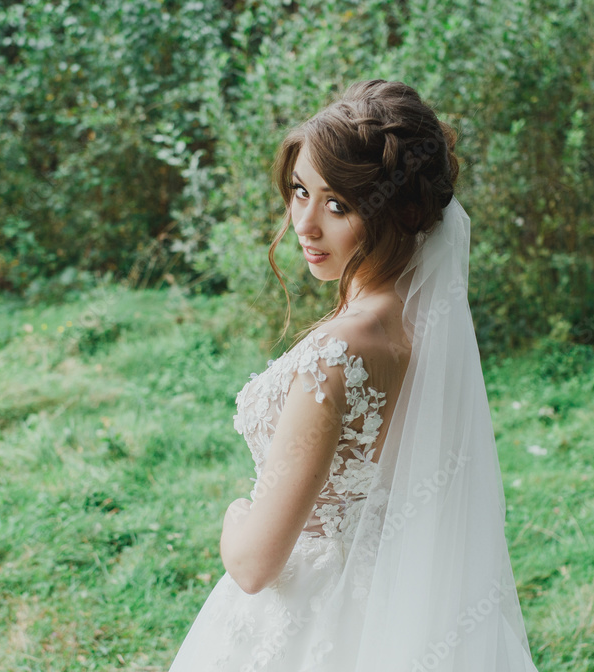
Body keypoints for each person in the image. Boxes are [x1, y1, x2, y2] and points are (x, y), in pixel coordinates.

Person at [168, 79, 537, 671]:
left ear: (401, 210)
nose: (305, 225)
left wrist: (235, 519)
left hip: (309, 619)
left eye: (338, 205)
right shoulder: (421, 327)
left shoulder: (337, 356)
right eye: (299, 192)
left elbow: (256, 564)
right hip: (402, 599)